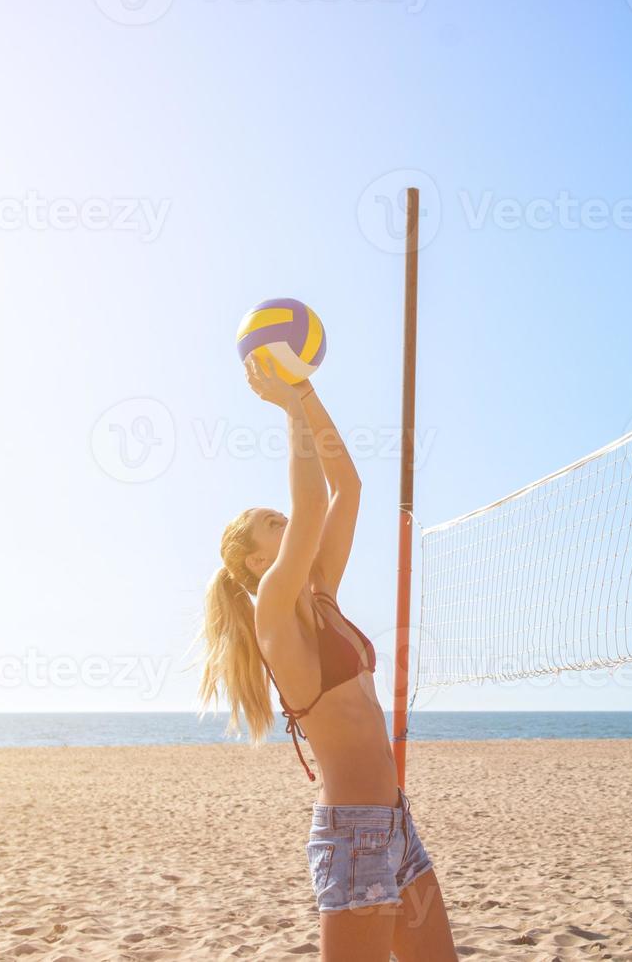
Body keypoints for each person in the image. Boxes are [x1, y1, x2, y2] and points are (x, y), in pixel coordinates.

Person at [199, 356, 458, 961]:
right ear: (257, 562)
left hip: (395, 823)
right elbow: (313, 504)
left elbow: (348, 487)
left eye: (278, 514)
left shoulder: (320, 592)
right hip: (354, 832)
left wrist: (306, 392)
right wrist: (288, 409)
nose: (284, 518)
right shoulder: (272, 608)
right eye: (271, 522)